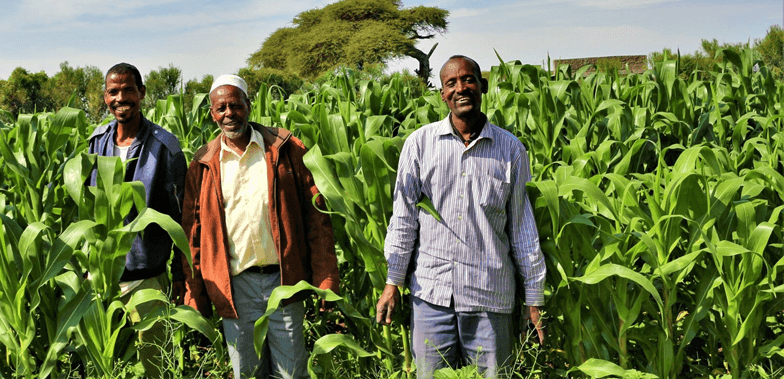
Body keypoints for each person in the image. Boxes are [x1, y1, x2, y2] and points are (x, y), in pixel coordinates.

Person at [375, 55, 546, 379]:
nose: (460, 88)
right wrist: (392, 282)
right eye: (451, 83)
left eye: (468, 79)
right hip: (431, 295)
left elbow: (523, 226)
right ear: (442, 93)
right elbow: (404, 218)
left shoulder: (510, 150)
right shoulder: (419, 145)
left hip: (490, 296)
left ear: (482, 86)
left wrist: (533, 299)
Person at [182, 74, 339, 379]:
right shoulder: (203, 163)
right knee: (248, 373)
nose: (229, 114)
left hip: (284, 279)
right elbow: (193, 236)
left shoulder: (285, 149)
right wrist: (195, 295)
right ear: (212, 114)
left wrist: (326, 279)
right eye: (221, 108)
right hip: (235, 285)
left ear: (248, 106)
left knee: (291, 373)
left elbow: (317, 219)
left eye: (235, 105)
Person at [88, 62, 186, 376]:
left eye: (128, 90)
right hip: (103, 277)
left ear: (141, 93)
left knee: (153, 364)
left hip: (147, 276)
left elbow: (182, 217)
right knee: (109, 363)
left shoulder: (165, 147)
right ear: (105, 97)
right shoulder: (97, 142)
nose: (121, 98)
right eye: (113, 91)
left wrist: (181, 273)